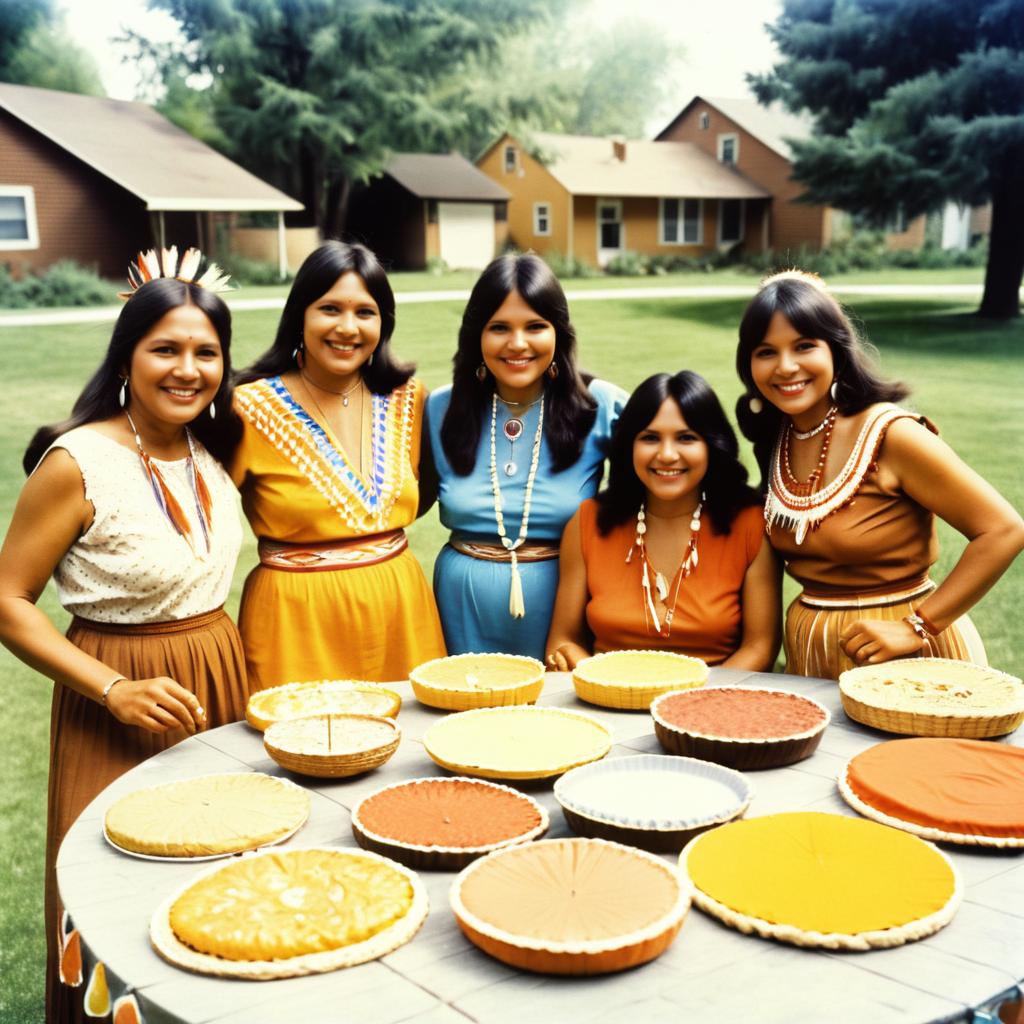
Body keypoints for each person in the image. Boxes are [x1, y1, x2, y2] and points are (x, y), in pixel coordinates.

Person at [0, 248, 248, 1023]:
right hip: (118, 688)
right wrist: (114, 689)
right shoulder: (77, 462)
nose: (187, 368)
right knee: (114, 899)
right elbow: (7, 599)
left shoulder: (215, 447)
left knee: (218, 885)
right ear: (127, 355)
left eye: (205, 352)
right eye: (165, 348)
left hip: (215, 682)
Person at [735, 270, 1024, 679]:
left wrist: (917, 626)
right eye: (766, 352)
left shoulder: (892, 434)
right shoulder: (777, 437)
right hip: (813, 656)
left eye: (804, 346)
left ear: (836, 349)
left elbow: (1004, 530)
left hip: (909, 658)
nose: (786, 366)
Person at [232, 241, 445, 687]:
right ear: (300, 316)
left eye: (365, 312)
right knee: (297, 747)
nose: (348, 328)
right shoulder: (247, 407)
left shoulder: (410, 397)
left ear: (383, 323)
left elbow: (419, 494)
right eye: (330, 309)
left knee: (410, 745)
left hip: (401, 612)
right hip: (295, 621)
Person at [426, 253, 626, 661]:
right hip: (460, 608)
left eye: (535, 326)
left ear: (560, 333)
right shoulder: (439, 408)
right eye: (499, 327)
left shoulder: (600, 405)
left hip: (563, 614)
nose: (517, 344)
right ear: (475, 335)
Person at [546, 371, 779, 671]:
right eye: (650, 438)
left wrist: (697, 702)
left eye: (686, 438)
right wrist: (589, 673)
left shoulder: (750, 525)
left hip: (714, 705)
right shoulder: (588, 521)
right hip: (606, 699)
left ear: (711, 444)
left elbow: (760, 647)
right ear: (629, 445)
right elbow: (563, 640)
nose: (667, 455)